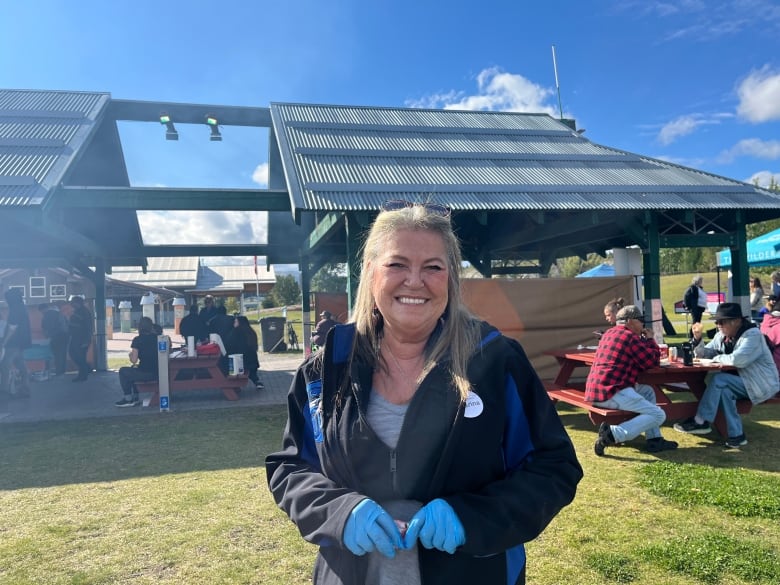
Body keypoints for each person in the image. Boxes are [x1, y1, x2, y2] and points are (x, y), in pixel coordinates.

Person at [265, 201, 582, 585]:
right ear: (370, 272)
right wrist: (339, 512)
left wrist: (471, 516)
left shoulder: (496, 360)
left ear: (451, 278)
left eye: (433, 267)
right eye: (397, 264)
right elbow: (290, 467)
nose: (414, 281)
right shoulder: (324, 370)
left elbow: (554, 468)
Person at [674, 303, 779, 448]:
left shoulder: (753, 335)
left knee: (719, 379)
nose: (718, 325)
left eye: (721, 322)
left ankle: (701, 420)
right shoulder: (722, 335)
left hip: (762, 383)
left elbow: (738, 360)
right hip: (742, 382)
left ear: (736, 321)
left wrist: (715, 359)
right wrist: (698, 339)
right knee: (724, 390)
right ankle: (737, 435)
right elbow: (706, 352)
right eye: (717, 322)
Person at [585, 305, 678, 456]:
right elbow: (651, 361)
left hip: (597, 390)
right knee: (658, 415)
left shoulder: (609, 333)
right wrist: (650, 340)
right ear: (629, 321)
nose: (643, 324)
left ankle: (654, 439)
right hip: (612, 391)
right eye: (640, 320)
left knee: (647, 391)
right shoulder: (629, 337)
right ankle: (613, 434)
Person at [115, 316, 160, 407]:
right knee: (134, 370)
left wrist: (130, 355)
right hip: (158, 371)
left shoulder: (137, 340)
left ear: (140, 327)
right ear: (151, 327)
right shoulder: (158, 338)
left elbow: (134, 360)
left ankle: (129, 398)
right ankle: (135, 397)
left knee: (124, 371)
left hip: (146, 373)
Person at [1, 289, 32, 397]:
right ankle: (25, 388)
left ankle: (4, 391)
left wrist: (3, 342)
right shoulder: (22, 307)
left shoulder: (15, 309)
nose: (6, 300)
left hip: (13, 342)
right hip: (21, 342)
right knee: (20, 364)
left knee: (5, 365)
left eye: (7, 298)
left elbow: (12, 328)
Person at [224, 315, 263, 389]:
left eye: (235, 321)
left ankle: (234, 386)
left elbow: (228, 343)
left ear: (240, 323)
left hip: (240, 360)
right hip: (252, 361)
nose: (234, 323)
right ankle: (257, 381)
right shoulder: (251, 332)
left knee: (224, 364)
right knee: (252, 373)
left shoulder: (236, 332)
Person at [67, 295, 94, 382]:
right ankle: (86, 369)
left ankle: (82, 375)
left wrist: (86, 340)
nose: (72, 304)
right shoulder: (78, 311)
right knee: (73, 354)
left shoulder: (84, 312)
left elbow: (88, 327)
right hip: (76, 338)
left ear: (78, 303)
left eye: (73, 303)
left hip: (81, 339)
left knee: (79, 356)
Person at [38, 302, 69, 376]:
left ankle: (57, 371)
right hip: (65, 336)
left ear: (43, 309)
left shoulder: (47, 315)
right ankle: (62, 371)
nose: (41, 313)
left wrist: (47, 336)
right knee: (63, 354)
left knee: (56, 354)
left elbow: (46, 328)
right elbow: (66, 323)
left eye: (41, 311)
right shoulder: (58, 313)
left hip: (55, 337)